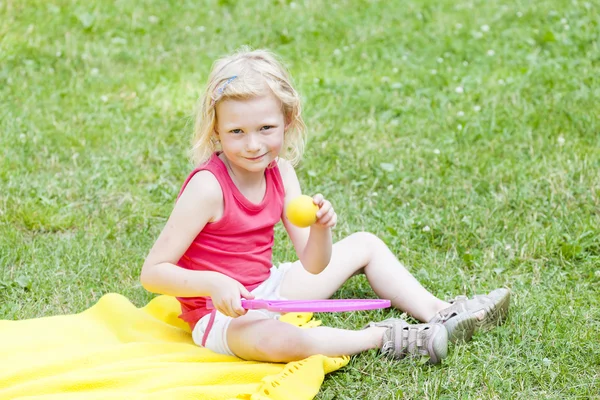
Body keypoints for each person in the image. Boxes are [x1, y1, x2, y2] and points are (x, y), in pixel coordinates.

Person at [140, 48, 510, 365]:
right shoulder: (208, 187)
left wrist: (321, 230)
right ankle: (385, 337)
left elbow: (313, 265)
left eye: (266, 128)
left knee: (365, 243)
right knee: (284, 342)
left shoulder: (281, 172)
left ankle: (441, 312)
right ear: (216, 130)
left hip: (270, 287)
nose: (253, 144)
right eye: (237, 132)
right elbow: (153, 272)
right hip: (221, 314)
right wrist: (214, 283)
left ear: (287, 121)